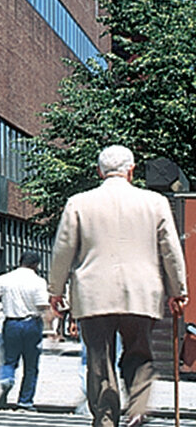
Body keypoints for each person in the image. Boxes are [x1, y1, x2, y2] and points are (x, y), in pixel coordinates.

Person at [47, 145, 189, 427]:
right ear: (132, 170)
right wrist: (178, 290)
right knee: (140, 352)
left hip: (92, 294)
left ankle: (106, 418)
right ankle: (137, 407)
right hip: (141, 292)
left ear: (99, 171)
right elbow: (171, 250)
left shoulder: (79, 202)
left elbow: (63, 250)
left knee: (100, 359)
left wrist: (56, 291)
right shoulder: (155, 202)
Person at [0, 255, 53, 408]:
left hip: (11, 322)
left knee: (9, 359)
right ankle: (25, 401)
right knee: (31, 365)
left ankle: (7, 377)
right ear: (36, 264)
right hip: (31, 322)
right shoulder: (38, 281)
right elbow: (42, 304)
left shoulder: (5, 278)